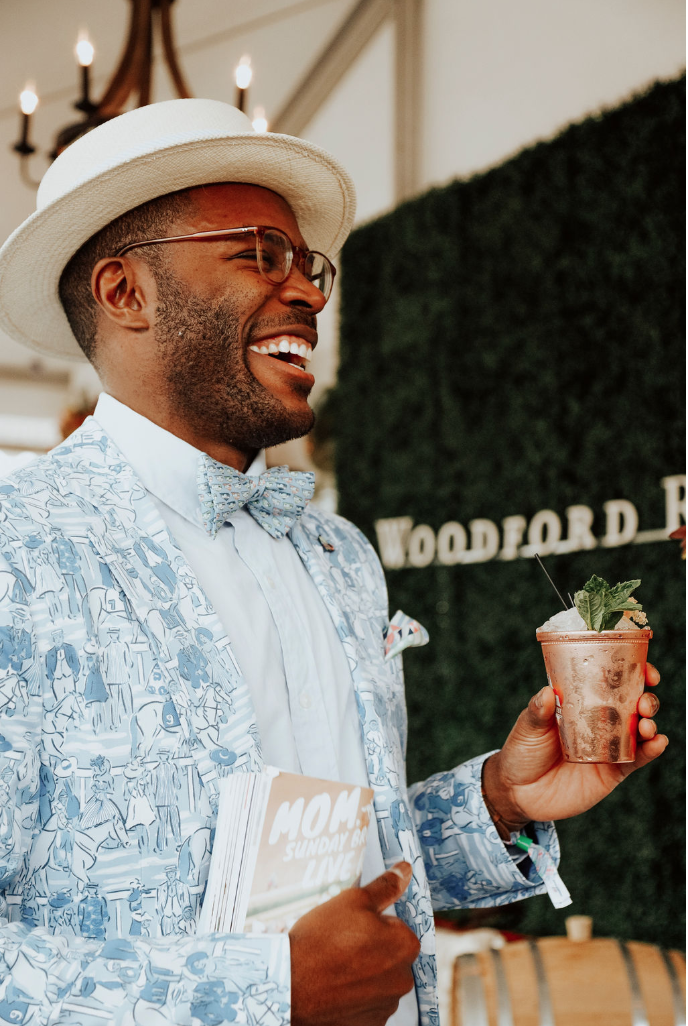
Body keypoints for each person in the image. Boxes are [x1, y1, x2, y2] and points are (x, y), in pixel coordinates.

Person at [0, 99, 666, 1026]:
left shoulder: (337, 553)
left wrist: (499, 801)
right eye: (257, 253)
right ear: (125, 294)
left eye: (306, 264)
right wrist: (264, 992)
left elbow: (343, 863)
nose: (311, 293)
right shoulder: (16, 554)